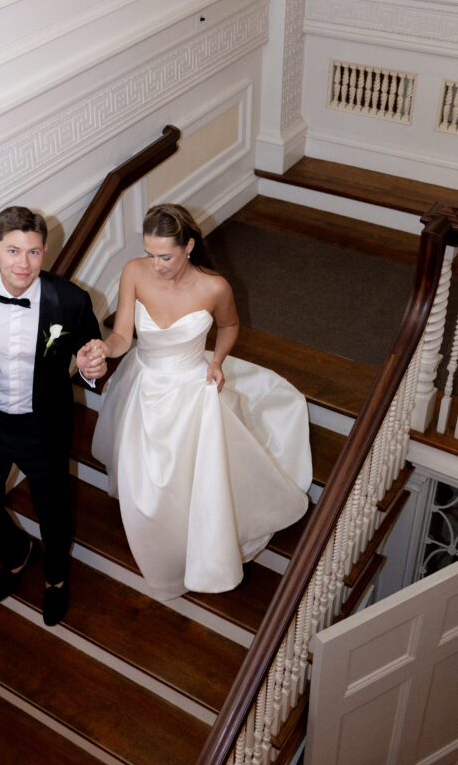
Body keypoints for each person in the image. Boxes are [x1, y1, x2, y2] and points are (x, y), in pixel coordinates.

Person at [84, 203, 312, 600]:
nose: (156, 265)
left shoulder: (214, 287)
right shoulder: (134, 271)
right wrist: (104, 348)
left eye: (165, 256)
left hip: (192, 388)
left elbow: (230, 325)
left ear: (188, 246)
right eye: (150, 254)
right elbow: (121, 336)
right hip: (144, 383)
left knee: (197, 471)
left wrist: (218, 361)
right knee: (147, 480)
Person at [0, 206, 106, 626]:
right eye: (13, 251)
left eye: (33, 252)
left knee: (54, 515)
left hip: (42, 425)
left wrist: (91, 366)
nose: (23, 263)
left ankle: (56, 579)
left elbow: (91, 354)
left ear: (44, 251)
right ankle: (18, 553)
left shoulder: (70, 300)